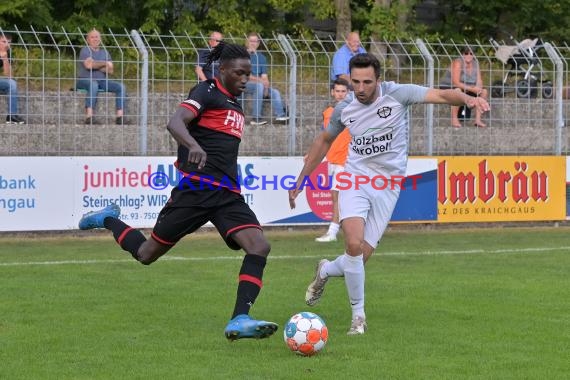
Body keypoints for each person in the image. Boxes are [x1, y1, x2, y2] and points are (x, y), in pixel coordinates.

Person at [77, 42, 278, 341]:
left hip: (226, 194)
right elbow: (175, 122)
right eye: (239, 73)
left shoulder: (236, 104)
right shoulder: (205, 92)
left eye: (249, 74)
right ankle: (107, 219)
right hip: (196, 191)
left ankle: (239, 318)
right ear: (222, 70)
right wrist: (193, 145)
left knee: (259, 246)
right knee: (146, 254)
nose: (245, 79)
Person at [289, 53, 490, 335]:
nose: (360, 88)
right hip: (355, 177)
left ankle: (324, 271)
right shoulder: (345, 108)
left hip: (388, 184)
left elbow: (443, 95)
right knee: (353, 244)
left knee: (359, 258)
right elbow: (323, 140)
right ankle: (358, 317)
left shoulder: (398, 94)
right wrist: (301, 180)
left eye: (367, 82)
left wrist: (468, 99)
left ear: (378, 80)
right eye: (355, 81)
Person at [315, 78, 350, 243]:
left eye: (343, 91)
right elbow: (324, 137)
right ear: (332, 92)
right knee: (337, 197)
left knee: (337, 196)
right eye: (338, 91)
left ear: (348, 93)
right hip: (332, 160)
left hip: (346, 161)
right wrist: (313, 153)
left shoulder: (352, 111)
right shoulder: (328, 112)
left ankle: (332, 232)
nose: (340, 94)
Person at [77, 28, 127, 125]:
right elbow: (88, 66)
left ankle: (120, 116)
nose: (95, 39)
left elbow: (110, 70)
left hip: (102, 81)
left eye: (97, 37)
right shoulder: (85, 50)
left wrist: (95, 64)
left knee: (121, 87)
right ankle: (89, 116)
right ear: (88, 40)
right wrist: (104, 63)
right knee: (93, 84)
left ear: (100, 39)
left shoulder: (105, 52)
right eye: (92, 37)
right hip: (85, 80)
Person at [244, 32, 289, 126]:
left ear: (258, 43)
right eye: (251, 41)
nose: (253, 43)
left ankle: (280, 115)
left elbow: (265, 76)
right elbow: (246, 76)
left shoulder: (262, 57)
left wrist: (266, 86)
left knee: (275, 92)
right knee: (259, 86)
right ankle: (256, 118)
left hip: (259, 85)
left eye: (255, 41)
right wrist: (262, 83)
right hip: (244, 84)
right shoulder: (242, 55)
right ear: (247, 42)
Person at [440, 46, 488, 128]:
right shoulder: (458, 63)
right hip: (450, 86)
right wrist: (472, 89)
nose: (468, 55)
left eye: (471, 53)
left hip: (468, 87)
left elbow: (479, 80)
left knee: (484, 91)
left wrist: (478, 87)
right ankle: (454, 119)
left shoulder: (476, 64)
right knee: (458, 90)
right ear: (462, 54)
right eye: (466, 53)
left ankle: (478, 120)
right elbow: (456, 82)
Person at [0, 33, 25, 124]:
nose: (7, 45)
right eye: (3, 42)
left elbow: (9, 76)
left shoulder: (7, 52)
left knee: (12, 83)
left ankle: (12, 116)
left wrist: (5, 58)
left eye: (9, 42)